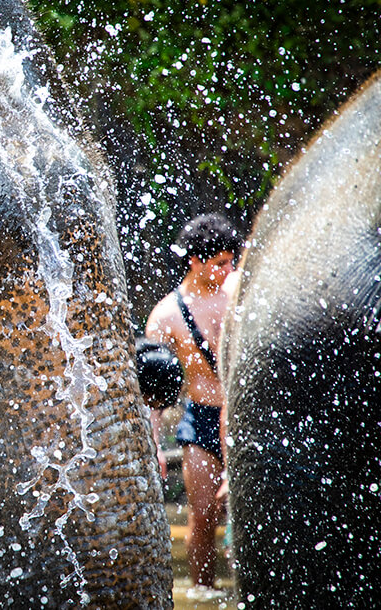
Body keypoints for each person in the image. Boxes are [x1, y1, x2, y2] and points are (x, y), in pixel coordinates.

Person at [145, 213, 240, 600]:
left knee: (248, 516)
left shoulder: (239, 292)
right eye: (219, 263)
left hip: (242, 416)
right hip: (200, 418)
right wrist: (153, 442)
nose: (227, 270)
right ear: (195, 262)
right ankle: (203, 594)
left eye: (231, 261)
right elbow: (153, 392)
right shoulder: (165, 316)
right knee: (202, 513)